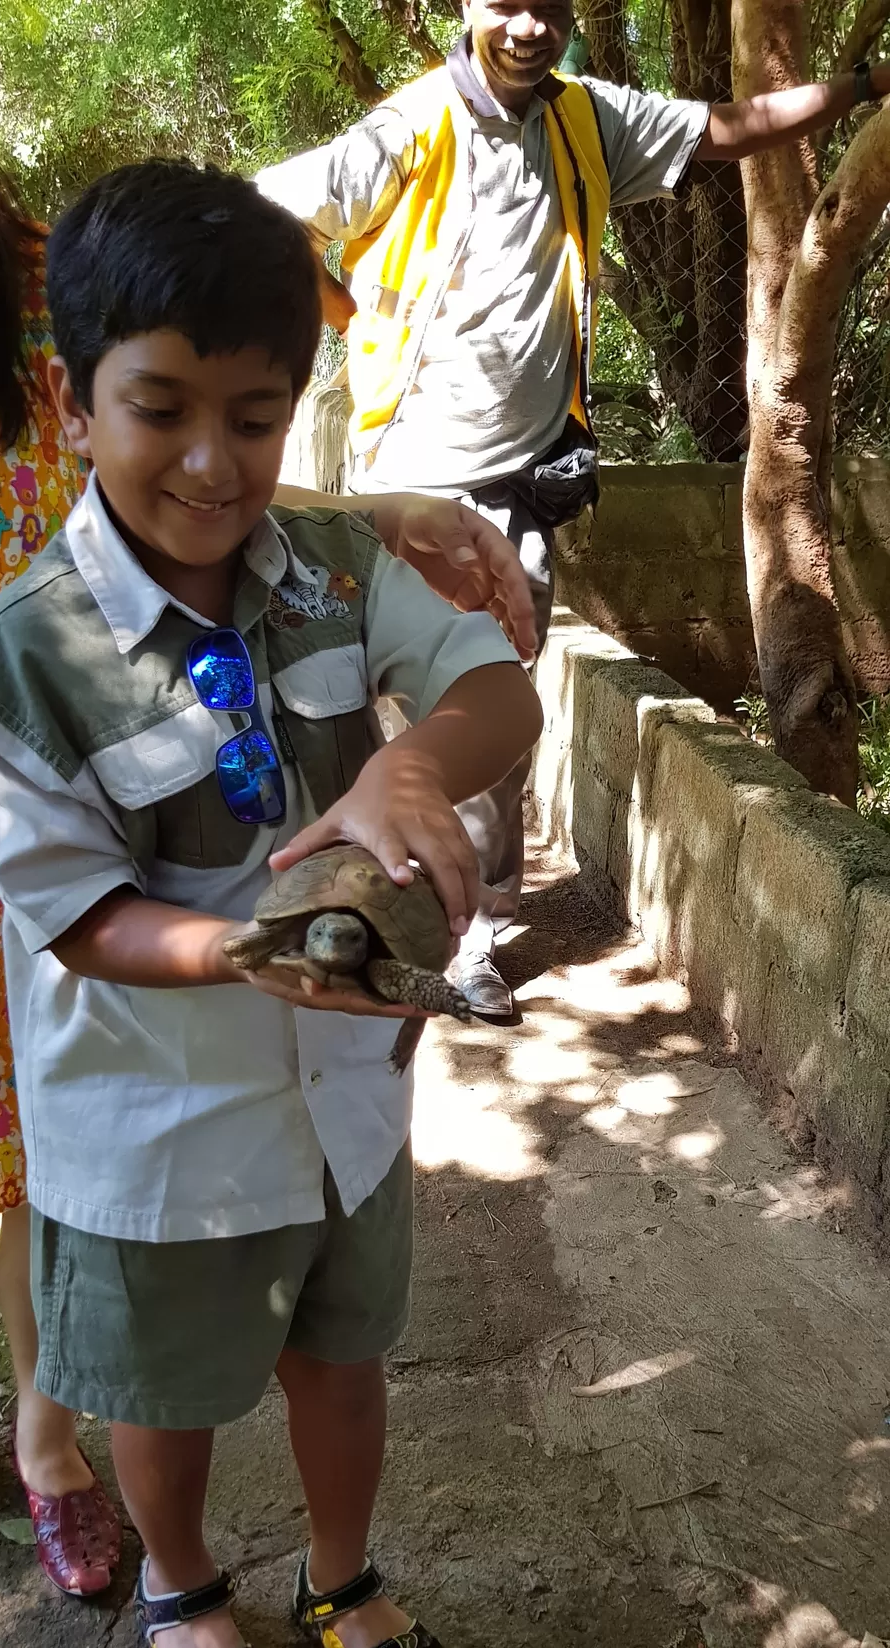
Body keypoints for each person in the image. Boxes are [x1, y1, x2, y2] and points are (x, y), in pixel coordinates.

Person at [0, 158, 543, 1648]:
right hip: (151, 1123)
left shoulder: (341, 575)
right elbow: (76, 911)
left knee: (341, 1358)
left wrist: (409, 766)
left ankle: (344, 1573)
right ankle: (184, 1580)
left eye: (257, 417)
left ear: (294, 411)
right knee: (168, 1386)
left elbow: (498, 687)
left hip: (344, 1100)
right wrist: (239, 949)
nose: (213, 463)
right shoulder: (19, 662)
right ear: (74, 405)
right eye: (160, 410)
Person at [258, 1, 890, 1020]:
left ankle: (471, 930)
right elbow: (265, 216)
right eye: (507, 4)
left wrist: (862, 89)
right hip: (409, 480)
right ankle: (365, 900)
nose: (529, 26)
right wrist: (350, 307)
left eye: (550, 7)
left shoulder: (585, 120)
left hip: (523, 483)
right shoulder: (409, 127)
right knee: (382, 707)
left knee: (491, 710)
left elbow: (726, 126)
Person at [0, 23, 121, 1592]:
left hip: (29, 761)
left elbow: (159, 462)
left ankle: (53, 1432)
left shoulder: (44, 277)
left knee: (47, 1101)